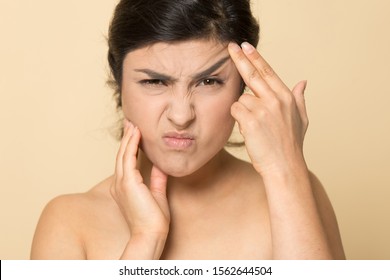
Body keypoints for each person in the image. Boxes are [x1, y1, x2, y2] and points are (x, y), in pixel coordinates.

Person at [31, 0, 345, 259]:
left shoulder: (295, 191)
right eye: (154, 81)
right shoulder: (70, 223)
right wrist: (145, 240)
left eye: (209, 81)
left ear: (243, 85)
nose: (181, 116)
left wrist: (286, 169)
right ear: (120, 82)